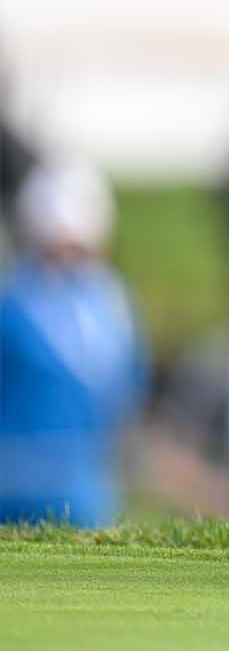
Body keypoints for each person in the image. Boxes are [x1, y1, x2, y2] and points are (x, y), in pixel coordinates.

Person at [0, 160, 146, 527]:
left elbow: (127, 395)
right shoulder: (14, 304)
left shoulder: (114, 306)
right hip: (13, 490)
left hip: (86, 492)